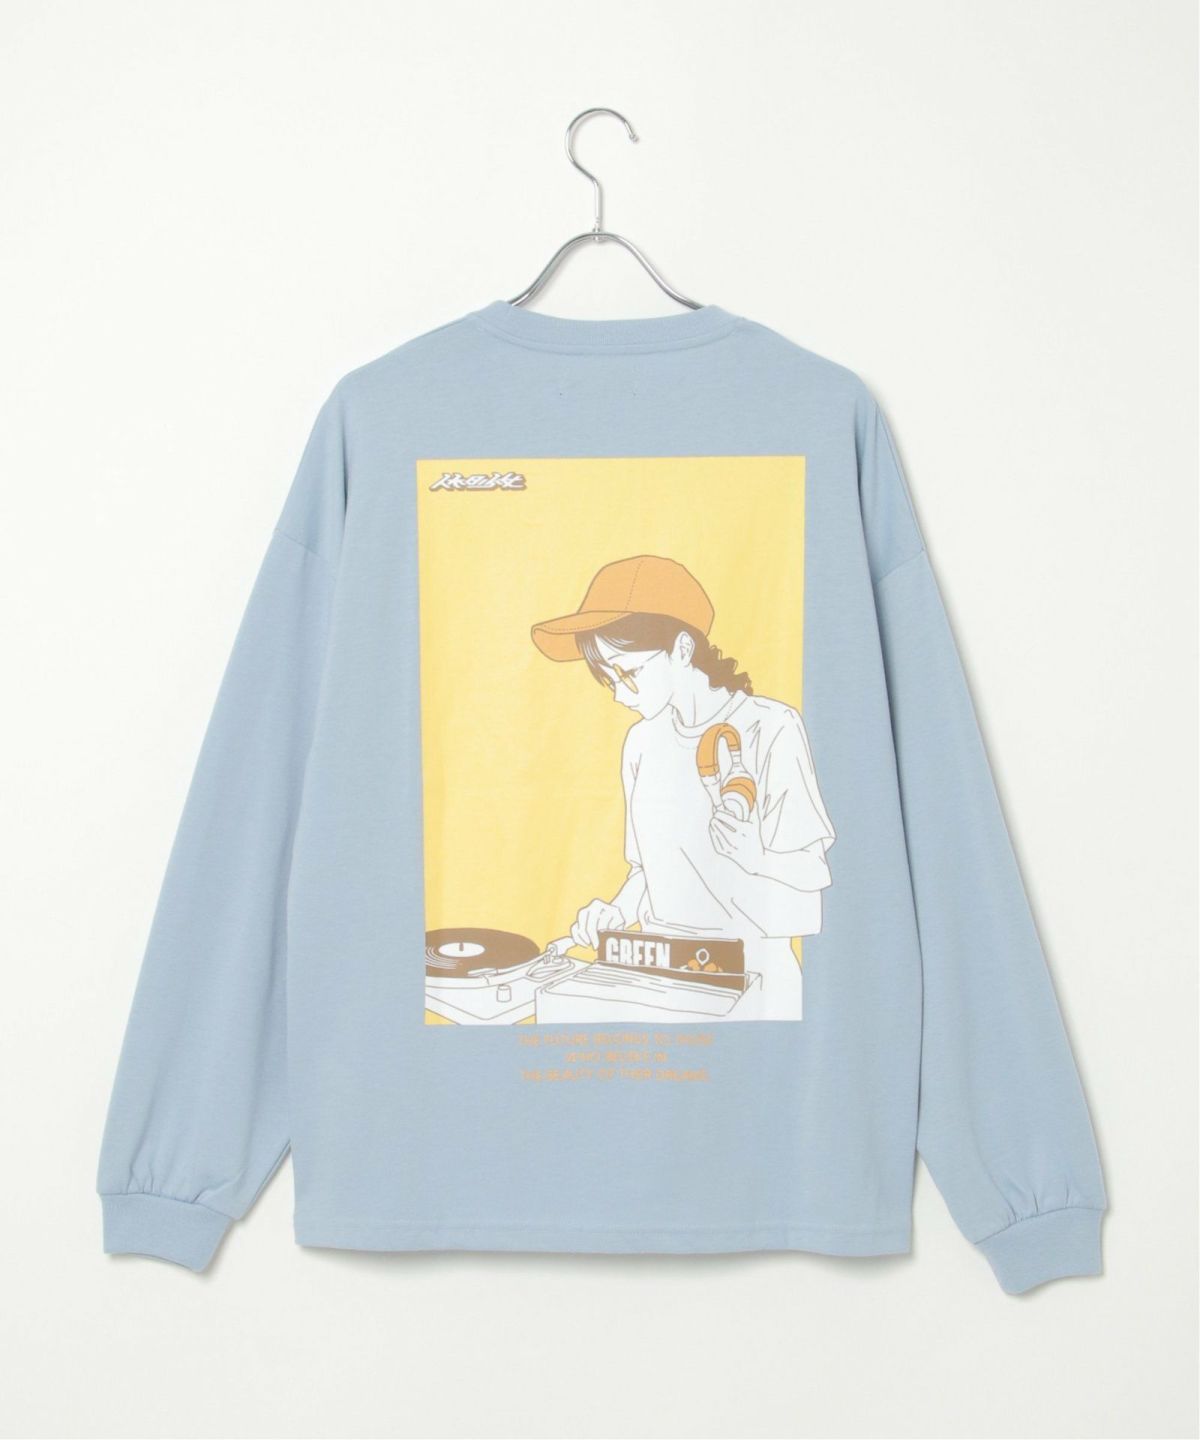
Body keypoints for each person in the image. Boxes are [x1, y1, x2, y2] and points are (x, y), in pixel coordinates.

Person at [531, 555, 836, 1020]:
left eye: (629, 672)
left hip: (752, 981)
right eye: (607, 679)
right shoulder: (641, 742)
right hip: (661, 979)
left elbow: (811, 880)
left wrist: (753, 855)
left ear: (682, 648)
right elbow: (646, 872)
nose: (619, 694)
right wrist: (616, 912)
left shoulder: (771, 727)